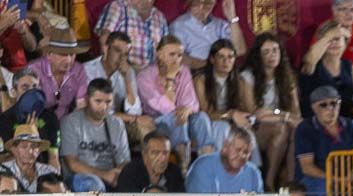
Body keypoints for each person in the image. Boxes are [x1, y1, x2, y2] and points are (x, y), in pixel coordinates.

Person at [137, 35, 215, 171]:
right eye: (172, 54)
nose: (176, 59)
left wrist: (187, 109)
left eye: (179, 55)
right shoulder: (144, 76)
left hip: (182, 117)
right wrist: (171, 79)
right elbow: (165, 108)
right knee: (177, 118)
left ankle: (208, 167)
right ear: (159, 54)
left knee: (202, 118)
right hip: (156, 122)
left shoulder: (184, 71)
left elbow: (192, 103)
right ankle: (183, 169)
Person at [61, 78, 130, 196]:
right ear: (87, 99)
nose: (103, 107)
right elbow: (72, 163)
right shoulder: (71, 122)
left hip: (111, 178)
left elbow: (124, 161)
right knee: (94, 185)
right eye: (98, 101)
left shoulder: (116, 123)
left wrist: (118, 174)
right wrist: (105, 175)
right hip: (78, 179)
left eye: (108, 102)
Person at [239, 33, 301, 191]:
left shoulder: (287, 76)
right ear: (258, 56)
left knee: (296, 130)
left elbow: (296, 113)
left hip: (281, 124)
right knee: (282, 127)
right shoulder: (248, 77)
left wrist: (278, 114)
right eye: (266, 52)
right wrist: (284, 115)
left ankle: (291, 182)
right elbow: (255, 113)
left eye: (275, 50)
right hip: (255, 128)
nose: (272, 55)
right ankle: (269, 181)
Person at [295, 85, 353, 196]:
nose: (330, 108)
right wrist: (336, 180)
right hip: (315, 179)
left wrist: (351, 177)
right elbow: (307, 167)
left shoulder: (350, 126)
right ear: (314, 107)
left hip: (348, 177)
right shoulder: (305, 128)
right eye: (323, 105)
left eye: (334, 103)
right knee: (329, 193)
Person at [80, 30, 156, 146]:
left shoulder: (127, 72)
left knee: (147, 126)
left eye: (125, 54)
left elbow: (135, 111)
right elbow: (96, 111)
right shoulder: (87, 70)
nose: (121, 58)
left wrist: (127, 80)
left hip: (118, 122)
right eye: (117, 51)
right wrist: (134, 118)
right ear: (106, 49)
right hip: (91, 122)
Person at [194, 38, 259, 164]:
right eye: (221, 57)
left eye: (230, 57)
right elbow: (206, 113)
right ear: (212, 59)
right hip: (209, 124)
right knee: (221, 127)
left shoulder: (240, 81)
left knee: (247, 131)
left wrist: (246, 118)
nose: (226, 61)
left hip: (231, 122)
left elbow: (251, 110)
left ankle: (253, 170)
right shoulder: (201, 80)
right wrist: (230, 115)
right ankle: (218, 168)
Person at [300, 20, 353, 118]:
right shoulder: (313, 65)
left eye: (337, 39)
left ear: (345, 43)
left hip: (345, 121)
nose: (333, 43)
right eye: (329, 40)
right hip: (316, 121)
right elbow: (310, 58)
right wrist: (332, 34)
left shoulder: (349, 66)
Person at [115, 131, 184, 196]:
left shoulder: (174, 172)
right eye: (155, 153)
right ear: (145, 155)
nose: (162, 159)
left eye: (166, 153)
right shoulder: (130, 173)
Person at [27, 25, 88, 121]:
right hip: (36, 121)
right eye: (63, 54)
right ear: (49, 55)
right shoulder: (33, 70)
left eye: (72, 54)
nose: (68, 60)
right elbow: (28, 109)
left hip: (66, 123)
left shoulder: (78, 70)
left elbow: (81, 105)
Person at [168, 0, 247, 70]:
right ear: (189, 3)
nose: (202, 7)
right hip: (196, 73)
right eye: (197, 2)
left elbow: (240, 51)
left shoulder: (221, 25)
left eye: (208, 3)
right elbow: (179, 58)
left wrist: (232, 17)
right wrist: (213, 66)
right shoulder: (178, 26)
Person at [185, 125, 263, 193]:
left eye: (246, 152)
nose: (242, 155)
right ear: (225, 146)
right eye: (238, 150)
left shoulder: (253, 173)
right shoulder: (203, 167)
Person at [95, 0, 170, 70]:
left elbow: (166, 49)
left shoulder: (159, 16)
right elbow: (105, 40)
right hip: (122, 71)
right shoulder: (118, 6)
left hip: (152, 73)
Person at [3, 122, 58, 192]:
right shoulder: (2, 171)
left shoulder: (50, 172)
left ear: (39, 150)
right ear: (14, 150)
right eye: (24, 146)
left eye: (34, 146)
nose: (30, 151)